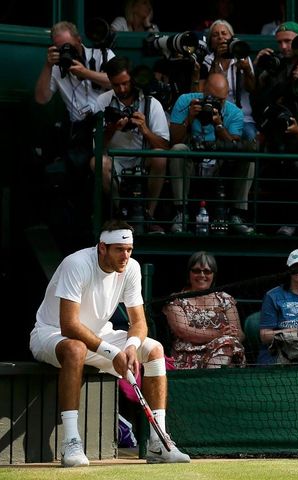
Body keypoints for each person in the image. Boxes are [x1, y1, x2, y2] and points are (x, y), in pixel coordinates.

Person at [29, 220, 190, 467]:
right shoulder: (77, 264)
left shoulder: (131, 268)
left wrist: (131, 346)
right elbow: (69, 325)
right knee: (75, 347)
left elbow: (139, 322)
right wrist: (112, 352)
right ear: (102, 248)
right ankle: (71, 442)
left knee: (155, 349)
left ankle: (158, 442)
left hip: (99, 335)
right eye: (119, 250)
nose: (125, 256)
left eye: (129, 250)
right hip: (51, 335)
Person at [34, 21, 115, 239]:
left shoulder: (101, 55)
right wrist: (47, 66)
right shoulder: (56, 68)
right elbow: (41, 98)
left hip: (110, 126)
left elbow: (118, 81)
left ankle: (115, 216)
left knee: (103, 167)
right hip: (78, 132)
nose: (66, 52)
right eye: (60, 49)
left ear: (79, 40)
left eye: (69, 46)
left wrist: (86, 73)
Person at [91, 56, 169, 234]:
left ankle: (149, 213)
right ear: (110, 81)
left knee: (160, 157)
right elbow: (96, 147)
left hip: (143, 158)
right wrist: (112, 128)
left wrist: (145, 130)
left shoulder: (151, 102)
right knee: (97, 163)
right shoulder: (103, 101)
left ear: (132, 79)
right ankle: (121, 214)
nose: (122, 89)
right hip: (114, 159)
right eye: (116, 84)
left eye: (125, 83)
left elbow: (165, 146)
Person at [200, 19, 259, 234]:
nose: (221, 37)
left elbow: (253, 89)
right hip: (214, 114)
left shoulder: (242, 56)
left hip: (243, 117)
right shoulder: (207, 60)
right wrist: (217, 60)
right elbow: (204, 88)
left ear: (232, 37)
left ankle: (238, 209)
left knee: (250, 141)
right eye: (216, 34)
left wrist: (247, 70)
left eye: (225, 33)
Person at [168, 71, 245, 234]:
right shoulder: (186, 101)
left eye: (221, 100)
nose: (216, 103)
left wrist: (219, 125)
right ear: (204, 91)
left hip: (219, 162)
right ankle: (181, 212)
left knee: (247, 157)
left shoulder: (235, 112)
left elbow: (234, 146)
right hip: (192, 158)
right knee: (177, 150)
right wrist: (189, 118)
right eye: (212, 98)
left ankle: (237, 214)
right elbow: (174, 141)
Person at [162, 251, 246, 368]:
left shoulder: (225, 299)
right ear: (189, 274)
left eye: (207, 271)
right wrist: (219, 334)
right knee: (226, 342)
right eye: (196, 271)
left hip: (224, 351)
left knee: (229, 343)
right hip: (187, 357)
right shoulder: (176, 300)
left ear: (213, 275)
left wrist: (233, 333)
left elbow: (240, 334)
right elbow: (183, 331)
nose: (202, 275)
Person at [258, 248, 298, 364]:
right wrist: (296, 332)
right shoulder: (272, 296)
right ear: (289, 269)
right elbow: (264, 336)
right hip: (277, 356)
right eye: (296, 266)